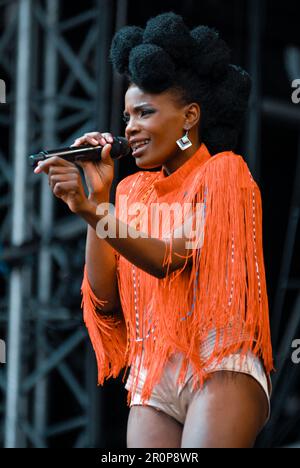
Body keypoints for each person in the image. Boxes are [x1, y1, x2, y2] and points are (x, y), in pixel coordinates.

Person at [34, 12, 274, 448]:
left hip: (217, 363)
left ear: (189, 118)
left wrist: (93, 212)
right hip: (151, 376)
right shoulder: (128, 192)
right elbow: (104, 301)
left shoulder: (223, 173)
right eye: (126, 116)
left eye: (144, 113)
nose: (129, 128)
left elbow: (171, 258)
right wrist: (101, 202)